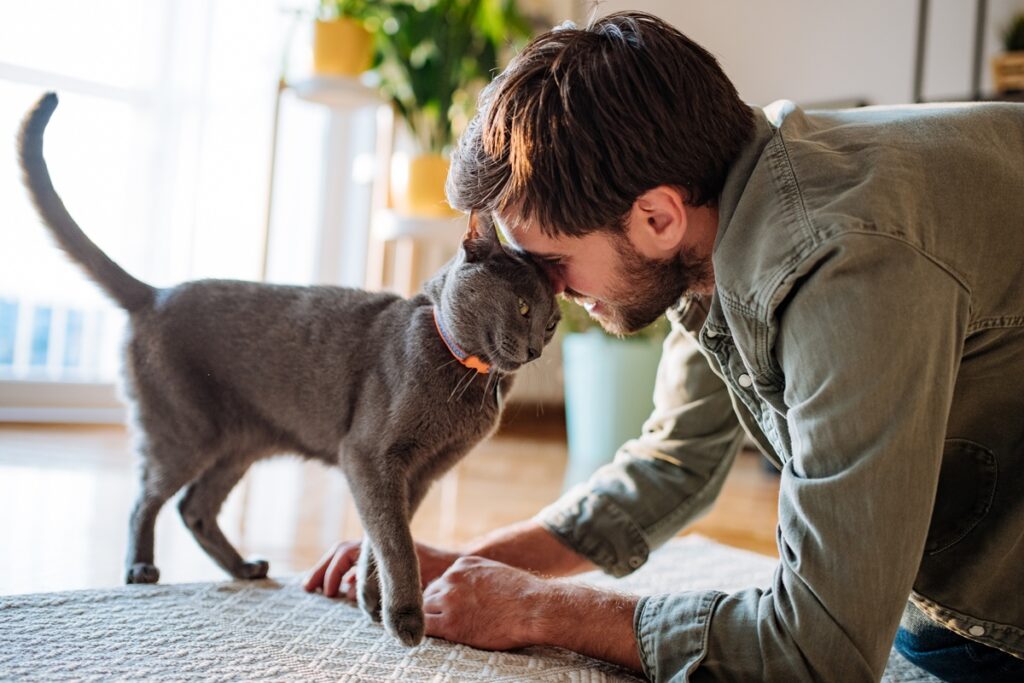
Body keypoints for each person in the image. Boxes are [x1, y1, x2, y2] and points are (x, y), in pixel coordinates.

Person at [304, 11, 1024, 682]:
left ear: (656, 216)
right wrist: (476, 565)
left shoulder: (845, 268)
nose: (551, 292)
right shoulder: (722, 200)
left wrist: (537, 609)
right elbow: (677, 459)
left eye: (553, 262)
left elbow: (818, 649)